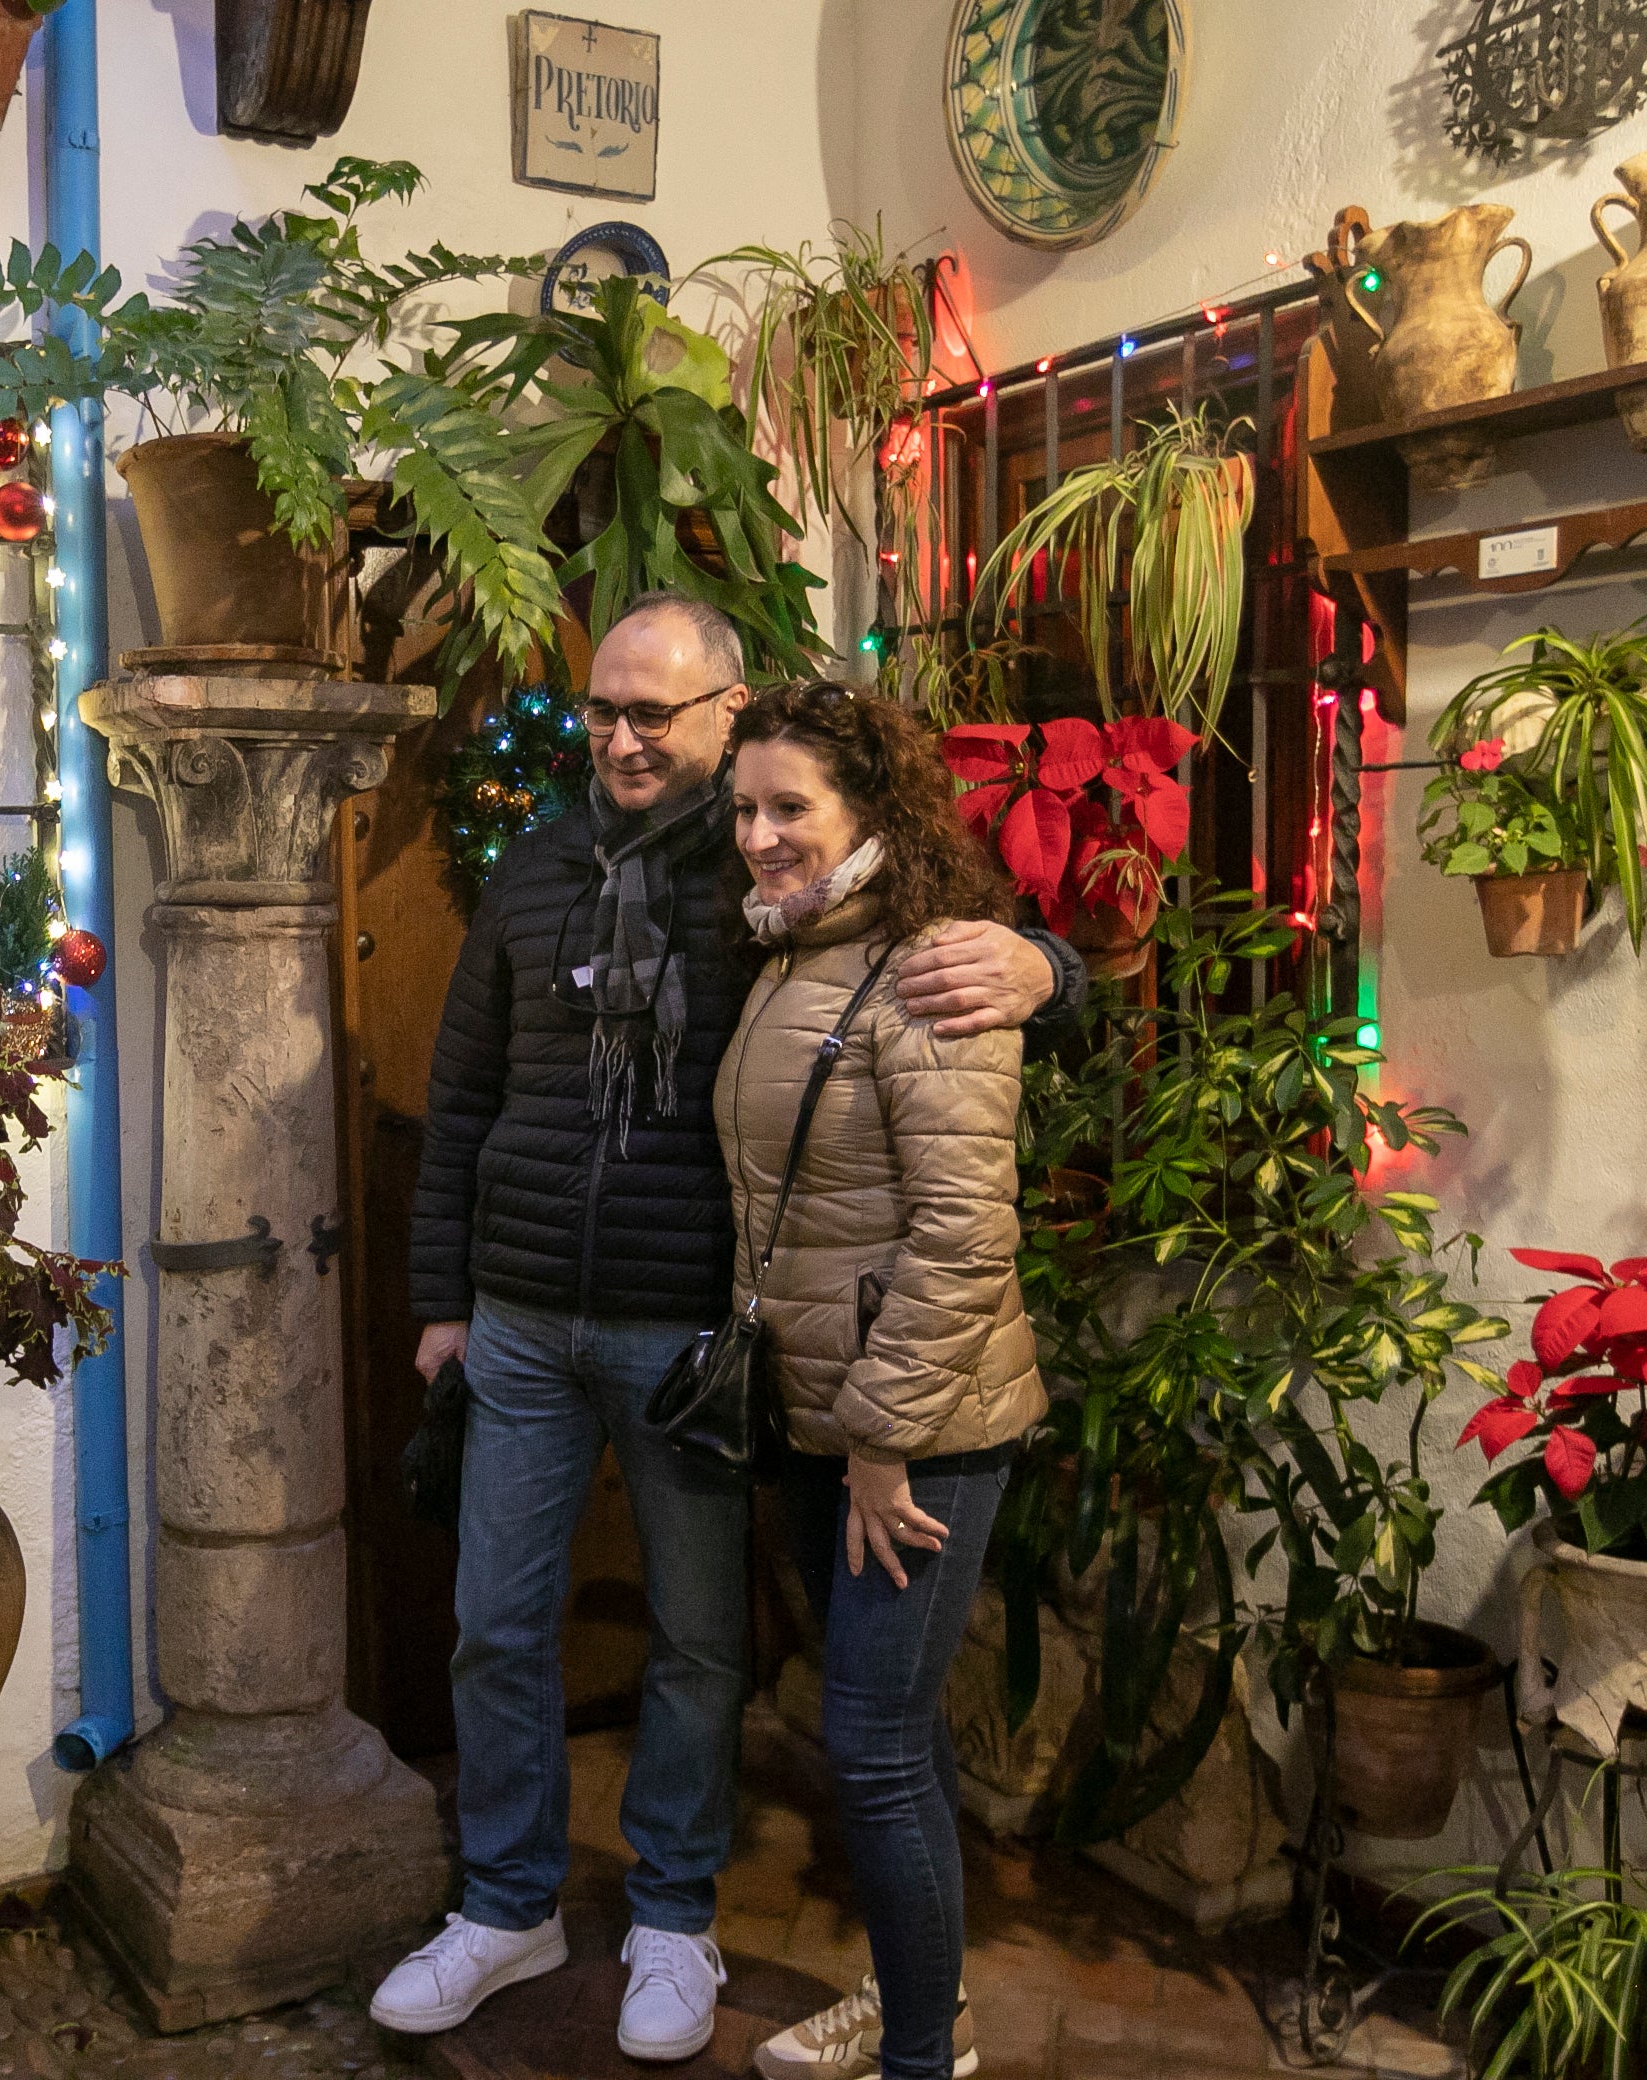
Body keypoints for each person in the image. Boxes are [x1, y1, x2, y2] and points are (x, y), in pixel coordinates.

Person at [374, 595, 1081, 2062]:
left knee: (699, 1642)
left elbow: (943, 964)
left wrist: (1047, 966)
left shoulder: (772, 876)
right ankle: (507, 1904)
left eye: (657, 713)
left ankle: (675, 1919)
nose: (625, 738)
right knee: (495, 1628)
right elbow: (465, 1102)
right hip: (517, 1321)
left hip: (689, 1335)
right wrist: (443, 1299)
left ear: (725, 708)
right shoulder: (531, 873)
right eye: (604, 712)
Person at [723, 684, 1048, 2080]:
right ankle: (924, 2007)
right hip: (822, 1411)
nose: (760, 837)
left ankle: (925, 2053)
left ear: (873, 815)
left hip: (914, 1431)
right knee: (874, 1744)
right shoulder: (787, 958)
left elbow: (966, 1233)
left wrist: (879, 1438)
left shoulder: (932, 973)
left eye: (791, 807)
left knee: (870, 1742)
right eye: (745, 809)